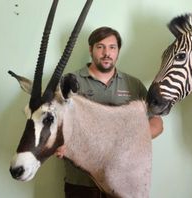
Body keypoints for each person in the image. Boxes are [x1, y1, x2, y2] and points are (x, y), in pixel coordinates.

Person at [55, 26, 163, 198]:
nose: (107, 53)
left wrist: (133, 139)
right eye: (100, 47)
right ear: (91, 49)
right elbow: (51, 121)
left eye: (112, 47)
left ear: (118, 50)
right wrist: (57, 143)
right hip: (81, 182)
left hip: (124, 181)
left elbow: (156, 122)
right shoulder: (69, 83)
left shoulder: (133, 85)